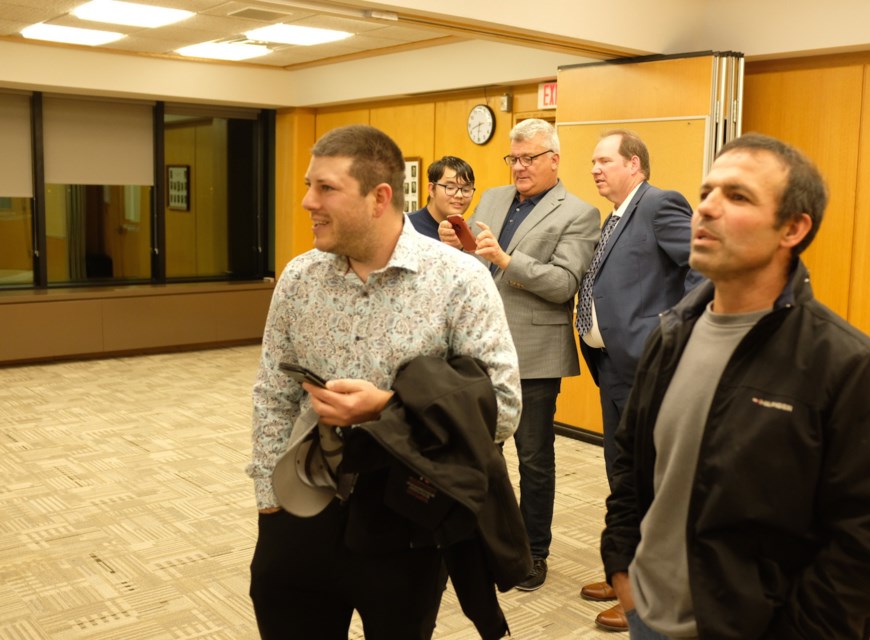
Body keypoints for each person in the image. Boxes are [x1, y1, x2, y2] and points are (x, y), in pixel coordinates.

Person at [602, 132, 870, 640]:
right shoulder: (672, 336)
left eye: (737, 196)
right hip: (648, 616)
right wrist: (621, 560)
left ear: (793, 228)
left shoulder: (852, 366)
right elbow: (632, 461)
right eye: (707, 191)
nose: (706, 209)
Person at [247, 125, 523, 640]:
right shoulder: (300, 277)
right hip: (301, 508)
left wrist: (389, 410)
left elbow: (503, 409)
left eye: (326, 188)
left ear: (379, 197)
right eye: (309, 185)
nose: (308, 201)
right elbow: (273, 393)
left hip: (407, 518)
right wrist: (269, 500)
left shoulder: (459, 280)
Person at [439, 118, 600, 591]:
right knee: (479, 453)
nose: (519, 168)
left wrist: (506, 260)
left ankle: (533, 551)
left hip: (534, 353)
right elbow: (471, 265)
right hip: (478, 349)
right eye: (513, 159)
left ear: (554, 160)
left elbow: (564, 284)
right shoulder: (492, 198)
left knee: (533, 459)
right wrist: (458, 248)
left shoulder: (579, 213)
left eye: (529, 158)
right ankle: (480, 542)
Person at [575, 129, 702, 632]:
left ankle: (646, 593)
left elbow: (704, 267)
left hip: (647, 367)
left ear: (635, 165)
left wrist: (667, 329)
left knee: (647, 478)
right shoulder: (618, 216)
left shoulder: (659, 204)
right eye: (592, 162)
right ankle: (624, 566)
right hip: (612, 369)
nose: (595, 169)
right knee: (623, 476)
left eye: (604, 161)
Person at [408, 156, 476, 239]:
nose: (459, 195)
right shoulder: (407, 227)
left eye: (465, 190)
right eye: (450, 188)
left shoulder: (467, 234)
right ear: (432, 189)